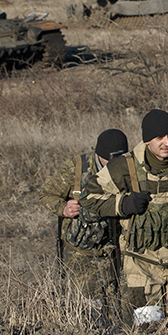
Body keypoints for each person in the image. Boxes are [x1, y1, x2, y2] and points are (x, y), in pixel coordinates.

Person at [80, 110, 168, 326]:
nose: (167, 142)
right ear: (147, 140)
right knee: (147, 330)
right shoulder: (126, 167)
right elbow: (88, 196)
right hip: (141, 265)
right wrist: (123, 204)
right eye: (159, 137)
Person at [39, 128, 129, 317]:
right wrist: (63, 208)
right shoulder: (76, 168)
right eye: (108, 162)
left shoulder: (127, 169)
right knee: (86, 306)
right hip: (80, 253)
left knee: (118, 303)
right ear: (99, 155)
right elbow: (46, 194)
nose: (112, 167)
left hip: (115, 249)